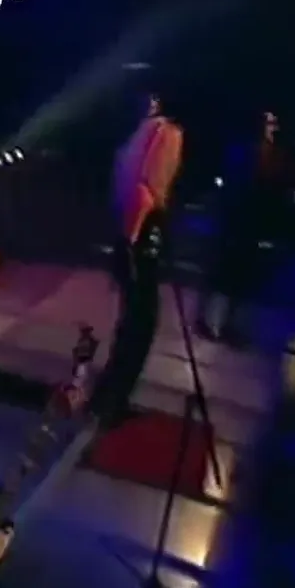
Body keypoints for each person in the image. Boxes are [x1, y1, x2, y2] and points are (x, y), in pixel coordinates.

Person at [88, 89, 184, 426]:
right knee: (141, 324)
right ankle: (112, 403)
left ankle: (107, 397)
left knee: (131, 322)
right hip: (141, 234)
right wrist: (133, 241)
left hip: (128, 234)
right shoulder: (166, 133)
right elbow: (146, 192)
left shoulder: (132, 138)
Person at [197, 110, 293, 346]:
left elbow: (274, 189)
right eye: (269, 123)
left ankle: (231, 326)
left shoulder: (274, 154)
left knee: (243, 280)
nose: (273, 127)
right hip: (237, 223)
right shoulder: (244, 152)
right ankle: (212, 323)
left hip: (254, 224)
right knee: (225, 276)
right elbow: (237, 187)